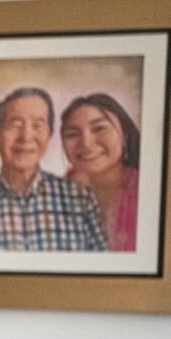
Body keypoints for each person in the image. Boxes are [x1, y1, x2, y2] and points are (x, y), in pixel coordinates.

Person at [0, 86, 107, 251]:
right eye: (15, 125)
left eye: (37, 125)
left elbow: (103, 270)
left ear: (49, 135)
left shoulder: (80, 199)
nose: (26, 137)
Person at [60, 93, 140, 252]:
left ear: (124, 135)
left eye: (99, 128)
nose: (86, 143)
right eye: (72, 134)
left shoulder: (151, 192)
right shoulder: (51, 196)